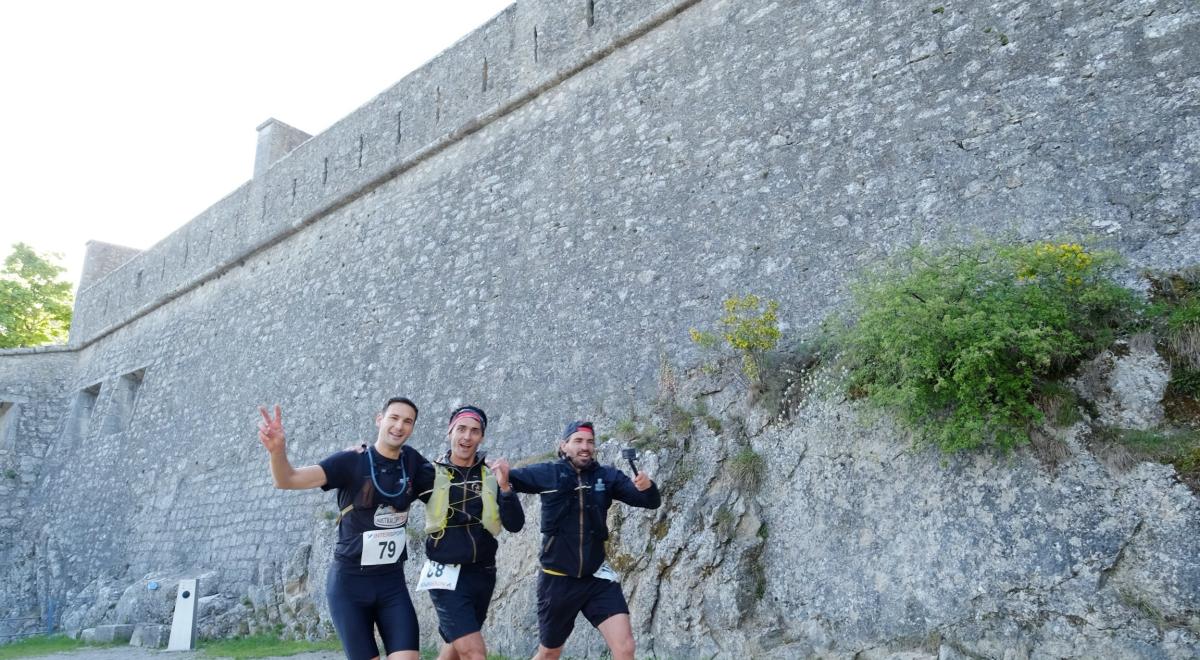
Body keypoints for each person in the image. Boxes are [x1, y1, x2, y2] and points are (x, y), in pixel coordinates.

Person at [258, 398, 433, 660]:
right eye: (393, 418)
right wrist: (277, 451)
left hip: (392, 584)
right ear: (379, 419)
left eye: (407, 421)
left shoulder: (413, 462)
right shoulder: (351, 461)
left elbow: (447, 485)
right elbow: (287, 479)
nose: (399, 426)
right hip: (350, 584)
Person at [503, 420, 661, 660]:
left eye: (589, 442)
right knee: (550, 652)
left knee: (625, 648)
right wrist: (501, 479)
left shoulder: (607, 477)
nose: (585, 446)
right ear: (564, 445)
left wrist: (648, 488)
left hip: (597, 578)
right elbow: (508, 480)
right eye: (578, 441)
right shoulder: (548, 473)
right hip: (557, 581)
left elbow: (649, 501)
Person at [416, 405, 524, 660]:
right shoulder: (429, 474)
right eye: (461, 429)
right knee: (474, 652)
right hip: (445, 574)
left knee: (455, 647)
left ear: (482, 437)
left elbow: (515, 524)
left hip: (482, 572)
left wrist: (505, 488)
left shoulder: (491, 475)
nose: (467, 437)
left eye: (474, 431)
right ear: (449, 431)